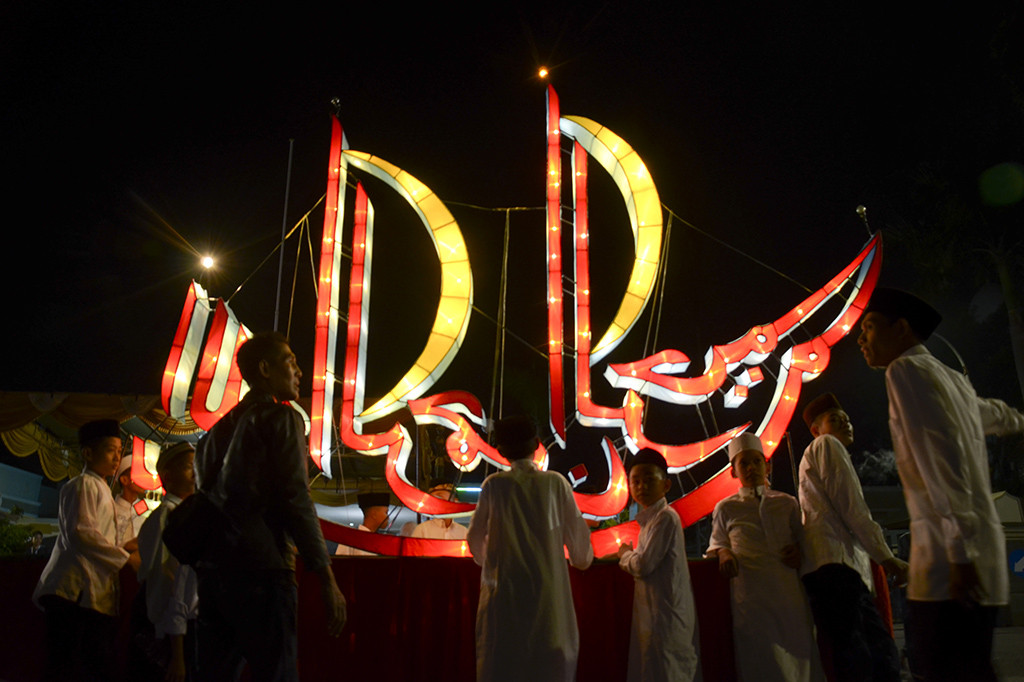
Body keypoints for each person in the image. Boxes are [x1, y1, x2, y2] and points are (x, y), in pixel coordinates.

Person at [859, 288, 1024, 681]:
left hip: (949, 565)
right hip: (976, 555)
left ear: (901, 329)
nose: (860, 339)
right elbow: (994, 414)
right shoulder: (949, 378)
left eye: (869, 327)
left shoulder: (905, 370)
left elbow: (941, 459)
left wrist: (959, 552)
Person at [193, 331, 346, 682]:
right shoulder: (282, 419)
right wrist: (325, 577)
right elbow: (296, 500)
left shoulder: (211, 437)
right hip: (264, 571)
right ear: (264, 369)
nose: (299, 372)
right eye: (290, 361)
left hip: (214, 574)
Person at [467, 415, 593, 682]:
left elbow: (474, 539)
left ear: (499, 450)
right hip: (548, 597)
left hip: (504, 594)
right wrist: (582, 561)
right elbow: (580, 551)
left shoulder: (494, 485)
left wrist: (489, 559)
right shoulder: (556, 483)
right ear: (537, 444)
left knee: (504, 664)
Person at [798, 393, 907, 682]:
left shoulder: (821, 451)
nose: (845, 424)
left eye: (846, 419)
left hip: (836, 568)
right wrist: (887, 557)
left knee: (863, 652)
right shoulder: (827, 444)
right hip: (837, 567)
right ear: (816, 429)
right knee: (864, 654)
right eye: (835, 419)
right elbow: (852, 507)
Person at [706, 432, 823, 682]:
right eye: (743, 463)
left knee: (799, 651)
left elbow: (805, 540)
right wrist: (724, 553)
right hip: (751, 596)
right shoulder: (725, 507)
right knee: (759, 658)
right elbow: (717, 542)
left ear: (767, 465)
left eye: (756, 462)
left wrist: (799, 551)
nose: (751, 468)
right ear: (734, 472)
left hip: (787, 591)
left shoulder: (787, 503)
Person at [33, 419, 140, 681]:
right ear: (88, 453)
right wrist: (125, 559)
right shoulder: (81, 485)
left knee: (83, 662)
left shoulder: (102, 487)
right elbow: (81, 534)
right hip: (70, 591)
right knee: (66, 663)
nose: (116, 457)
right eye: (110, 450)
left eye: (118, 450)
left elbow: (98, 537)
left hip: (85, 594)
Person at [615, 448, 699, 682]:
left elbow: (643, 565)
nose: (641, 487)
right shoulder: (649, 521)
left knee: (670, 671)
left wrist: (625, 555)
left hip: (667, 616)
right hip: (655, 616)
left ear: (666, 486)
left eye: (649, 480)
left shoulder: (666, 518)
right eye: (636, 481)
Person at [135, 441, 199, 682]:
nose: (195, 473)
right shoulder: (167, 517)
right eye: (188, 467)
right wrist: (175, 648)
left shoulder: (186, 513)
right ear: (168, 477)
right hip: (168, 629)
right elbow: (166, 580)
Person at [334, 491, 390, 556]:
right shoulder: (350, 539)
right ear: (374, 514)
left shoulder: (377, 541)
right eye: (386, 512)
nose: (388, 517)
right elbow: (340, 563)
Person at [114, 454, 148, 546]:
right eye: (138, 475)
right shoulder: (111, 509)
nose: (143, 479)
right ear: (124, 480)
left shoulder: (146, 509)